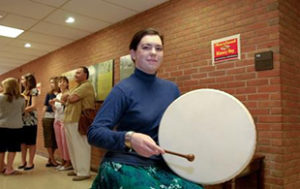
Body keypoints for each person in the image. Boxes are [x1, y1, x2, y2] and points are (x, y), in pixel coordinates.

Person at [87, 28, 203, 189]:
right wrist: (130, 139)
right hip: (126, 163)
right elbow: (94, 133)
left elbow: (179, 130)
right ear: (133, 54)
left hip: (163, 165)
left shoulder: (172, 89)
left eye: (159, 48)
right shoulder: (123, 90)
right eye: (146, 47)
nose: (153, 52)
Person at [61, 66, 95, 181]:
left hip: (79, 120)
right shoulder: (78, 86)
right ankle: (77, 169)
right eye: (75, 73)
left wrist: (67, 96)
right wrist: (66, 96)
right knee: (73, 146)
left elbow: (72, 98)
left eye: (78, 73)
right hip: (70, 119)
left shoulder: (86, 85)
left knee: (81, 146)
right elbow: (64, 98)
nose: (75, 75)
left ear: (85, 74)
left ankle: (84, 172)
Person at [0, 78, 25, 175]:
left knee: (1, 149)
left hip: (1, 126)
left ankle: (1, 167)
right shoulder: (21, 98)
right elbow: (22, 111)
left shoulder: (0, 97)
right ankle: (9, 168)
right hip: (16, 127)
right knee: (12, 149)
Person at [50, 76, 72, 171]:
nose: (61, 83)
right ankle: (63, 161)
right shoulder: (58, 95)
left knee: (65, 143)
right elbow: (56, 109)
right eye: (59, 82)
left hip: (65, 120)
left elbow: (69, 106)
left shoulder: (70, 93)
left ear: (67, 83)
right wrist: (52, 105)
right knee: (59, 143)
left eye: (63, 81)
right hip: (57, 119)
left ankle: (68, 162)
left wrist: (59, 101)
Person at [18, 73, 38, 171]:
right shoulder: (23, 91)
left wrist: (22, 110)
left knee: (31, 142)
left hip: (31, 120)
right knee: (23, 143)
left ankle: (30, 162)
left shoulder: (34, 90)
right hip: (22, 120)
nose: (21, 81)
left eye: (22, 79)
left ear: (28, 80)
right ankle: (23, 161)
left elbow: (34, 106)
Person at [42, 77, 60, 167]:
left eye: (53, 82)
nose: (51, 84)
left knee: (55, 140)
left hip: (58, 117)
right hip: (48, 117)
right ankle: (52, 159)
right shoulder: (49, 94)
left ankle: (50, 159)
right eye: (50, 82)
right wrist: (42, 116)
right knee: (48, 139)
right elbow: (45, 106)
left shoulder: (61, 93)